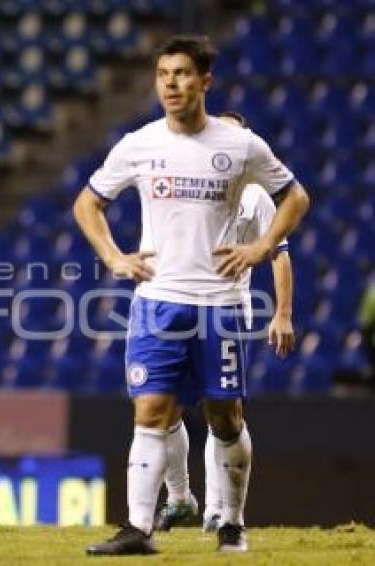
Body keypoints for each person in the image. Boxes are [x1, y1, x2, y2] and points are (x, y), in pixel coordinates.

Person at [74, 35, 309, 555]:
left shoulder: (239, 145)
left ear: (205, 80)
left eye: (181, 74)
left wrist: (262, 246)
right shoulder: (140, 143)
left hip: (219, 306)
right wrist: (114, 257)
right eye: (163, 75)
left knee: (224, 416)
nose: (171, 84)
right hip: (157, 302)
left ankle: (232, 522)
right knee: (150, 411)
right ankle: (138, 528)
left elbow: (295, 196)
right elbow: (88, 204)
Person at [155, 111, 297, 533]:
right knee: (159, 407)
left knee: (222, 413)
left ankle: (221, 512)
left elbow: (280, 253)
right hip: (176, 306)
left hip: (226, 311)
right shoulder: (188, 187)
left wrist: (283, 312)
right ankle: (180, 499)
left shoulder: (255, 195)